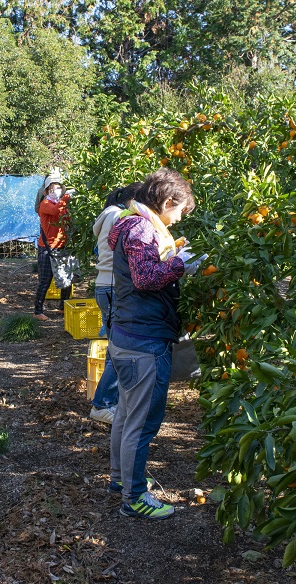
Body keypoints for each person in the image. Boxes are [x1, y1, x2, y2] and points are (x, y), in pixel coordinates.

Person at [106, 168, 201, 520]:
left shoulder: (134, 224)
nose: (178, 220)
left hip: (130, 333)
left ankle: (121, 480)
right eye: (179, 211)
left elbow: (141, 268)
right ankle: (133, 498)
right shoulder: (142, 227)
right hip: (143, 340)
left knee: (128, 415)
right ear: (166, 202)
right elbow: (146, 278)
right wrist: (181, 263)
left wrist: (173, 255)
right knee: (140, 423)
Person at [90, 182, 142, 424]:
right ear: (134, 200)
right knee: (116, 351)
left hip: (107, 287)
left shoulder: (110, 214)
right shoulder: (118, 216)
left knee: (116, 348)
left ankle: (110, 400)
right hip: (112, 288)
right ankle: (102, 404)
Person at [33, 171, 72, 321]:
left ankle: (63, 307)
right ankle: (37, 311)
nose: (55, 191)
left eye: (58, 188)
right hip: (47, 248)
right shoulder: (45, 204)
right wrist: (67, 197)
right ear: (46, 191)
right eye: (51, 188)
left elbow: (66, 217)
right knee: (45, 281)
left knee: (66, 280)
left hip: (62, 246)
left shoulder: (61, 205)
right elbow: (56, 212)